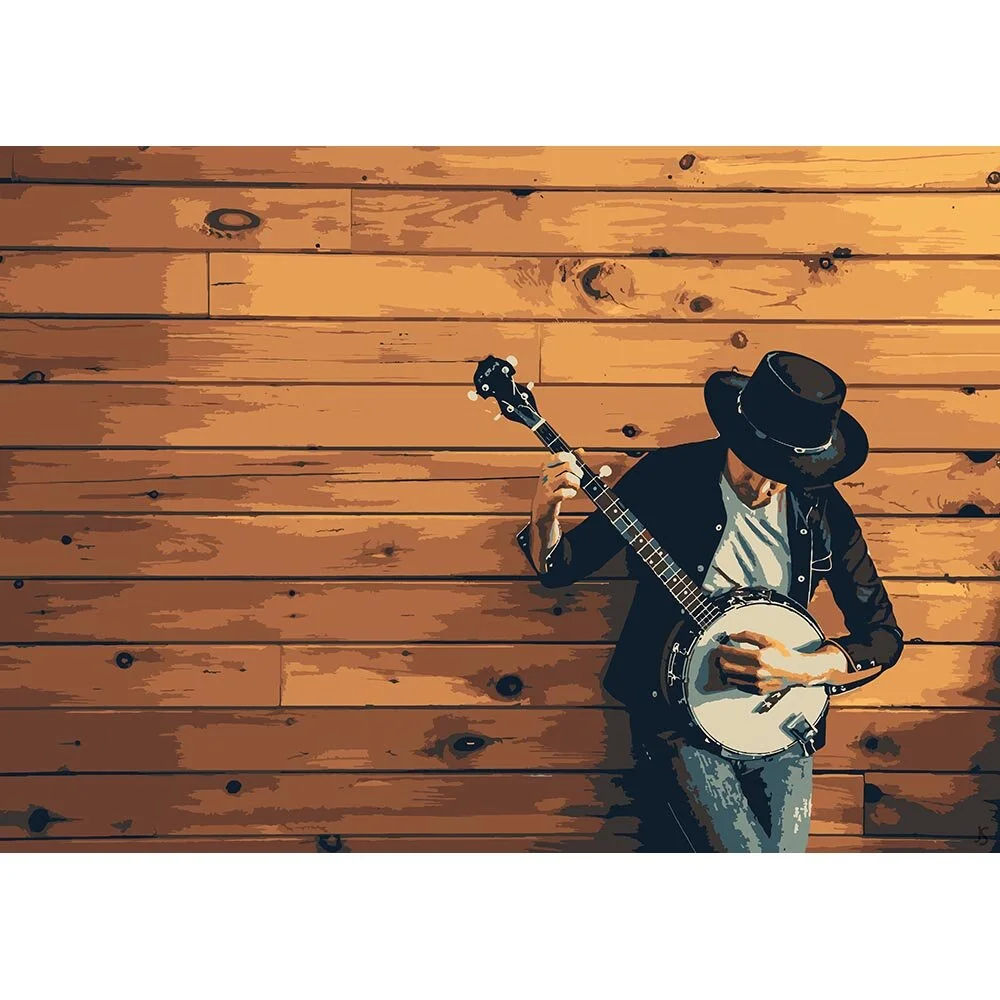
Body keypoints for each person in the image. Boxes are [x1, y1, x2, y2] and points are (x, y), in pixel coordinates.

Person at [515, 351, 904, 852]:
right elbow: (561, 568)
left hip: (782, 722)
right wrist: (545, 510)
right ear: (735, 437)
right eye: (757, 466)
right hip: (677, 718)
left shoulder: (822, 506)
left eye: (784, 473)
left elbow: (883, 635)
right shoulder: (668, 476)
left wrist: (800, 669)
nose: (765, 486)